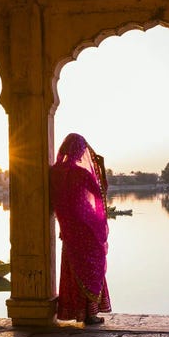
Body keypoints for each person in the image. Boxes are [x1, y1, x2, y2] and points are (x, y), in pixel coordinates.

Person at [50, 133, 111, 325]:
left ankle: (78, 312)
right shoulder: (82, 173)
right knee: (92, 266)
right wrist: (100, 168)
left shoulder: (55, 172)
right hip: (85, 227)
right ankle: (90, 314)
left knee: (74, 267)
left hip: (68, 228)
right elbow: (101, 193)